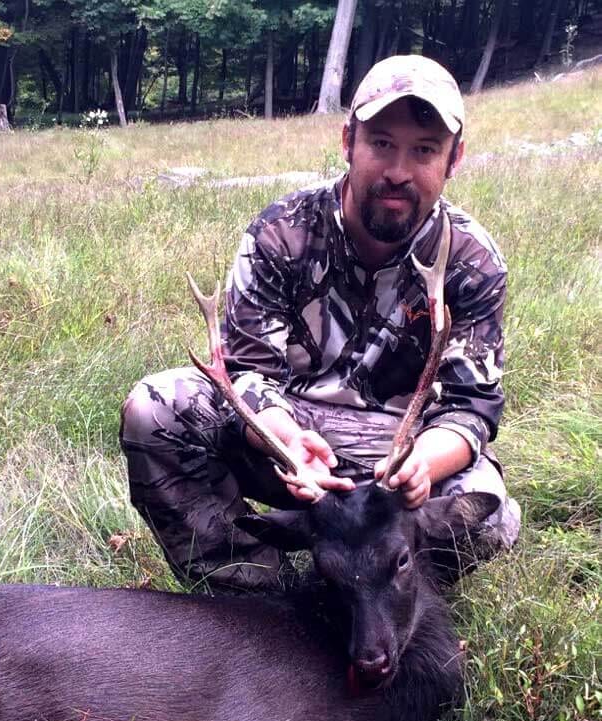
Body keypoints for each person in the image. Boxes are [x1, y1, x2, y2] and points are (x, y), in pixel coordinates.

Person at [120, 54, 520, 593]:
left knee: (489, 515)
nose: (398, 172)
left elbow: (471, 407)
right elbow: (243, 372)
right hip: (291, 442)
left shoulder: (473, 260)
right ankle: (255, 601)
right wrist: (281, 437)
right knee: (158, 408)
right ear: (347, 140)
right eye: (381, 143)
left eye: (423, 151)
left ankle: (375, 594)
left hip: (400, 458)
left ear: (454, 158)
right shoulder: (282, 231)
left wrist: (422, 463)